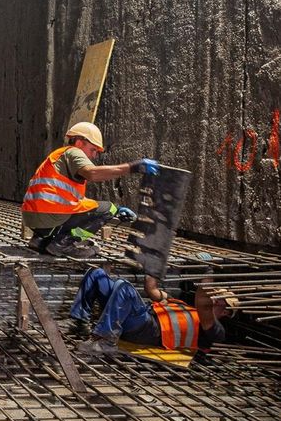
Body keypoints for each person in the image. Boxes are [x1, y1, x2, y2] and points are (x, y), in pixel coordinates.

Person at [22, 121, 159, 259]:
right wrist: (133, 167)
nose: (94, 156)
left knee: (110, 208)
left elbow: (76, 201)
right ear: (80, 142)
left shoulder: (58, 156)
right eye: (93, 149)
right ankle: (63, 243)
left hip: (34, 218)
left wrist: (118, 210)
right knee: (108, 208)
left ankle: (40, 241)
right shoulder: (74, 152)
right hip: (50, 216)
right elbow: (92, 173)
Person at [72, 268, 230, 356]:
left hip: (149, 330)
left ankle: (106, 340)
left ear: (226, 313)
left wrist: (209, 270)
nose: (215, 298)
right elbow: (151, 289)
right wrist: (157, 264)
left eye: (221, 300)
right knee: (97, 274)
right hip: (139, 315)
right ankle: (81, 322)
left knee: (124, 287)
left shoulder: (215, 331)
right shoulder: (186, 306)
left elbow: (204, 306)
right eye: (215, 294)